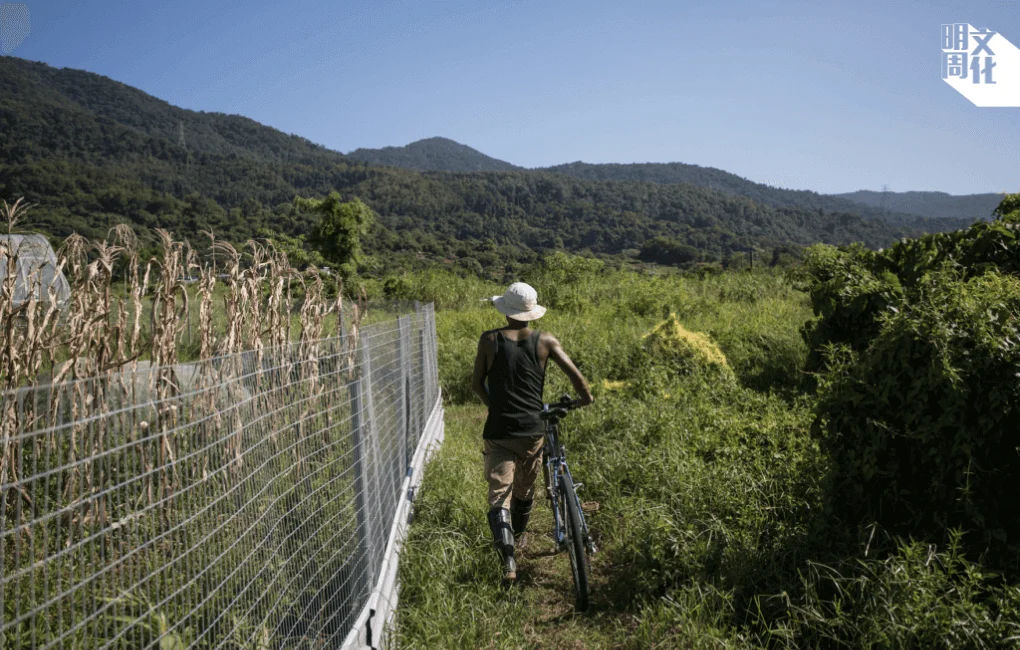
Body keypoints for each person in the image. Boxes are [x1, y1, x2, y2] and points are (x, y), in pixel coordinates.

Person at [472, 282, 594, 582]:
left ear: (506, 311)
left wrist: (494, 407)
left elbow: (476, 384)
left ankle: (508, 561)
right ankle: (519, 536)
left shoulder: (489, 340)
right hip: (532, 430)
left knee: (499, 495)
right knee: (525, 491)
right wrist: (585, 399)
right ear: (532, 312)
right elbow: (577, 378)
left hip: (499, 429)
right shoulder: (545, 341)